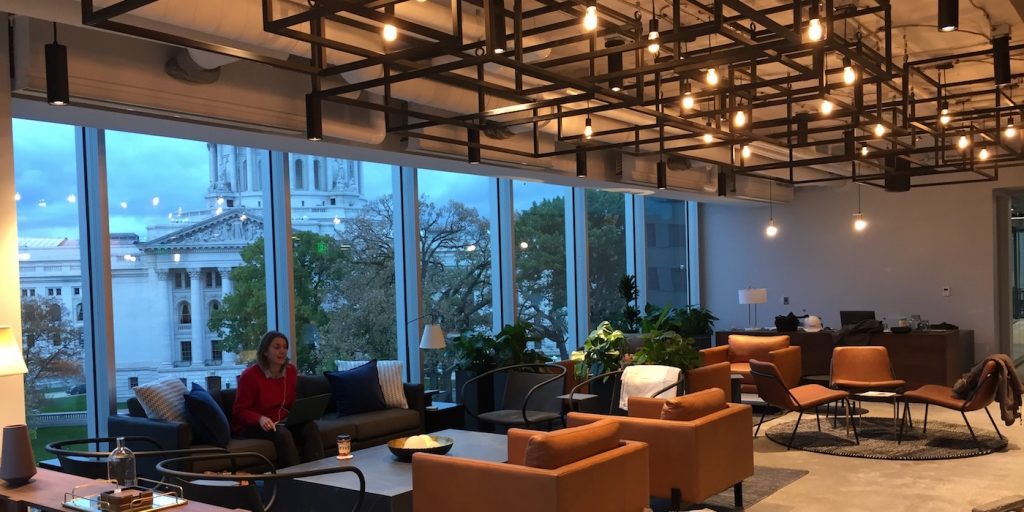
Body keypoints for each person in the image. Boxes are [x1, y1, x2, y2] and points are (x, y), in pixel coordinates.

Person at [232, 331, 323, 467]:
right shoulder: (250, 376)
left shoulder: (290, 371)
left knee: (310, 427)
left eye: (285, 347)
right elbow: (239, 411)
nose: (282, 351)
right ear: (265, 352)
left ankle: (319, 473)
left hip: (281, 420)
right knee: (282, 434)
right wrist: (260, 418)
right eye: (276, 347)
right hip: (253, 425)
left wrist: (302, 412)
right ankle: (294, 478)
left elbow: (290, 401)